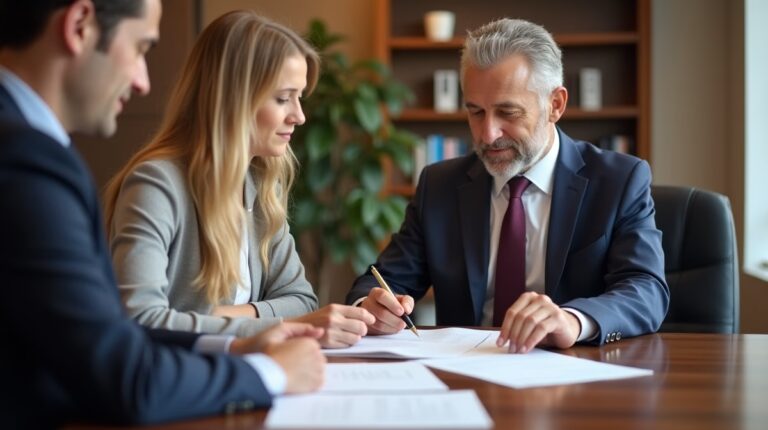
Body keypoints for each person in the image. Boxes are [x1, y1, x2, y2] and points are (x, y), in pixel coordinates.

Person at [0, 1, 326, 427]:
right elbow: (128, 349)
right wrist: (271, 369)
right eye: (140, 49)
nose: (142, 81)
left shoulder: (260, 186)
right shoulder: (29, 161)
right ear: (79, 26)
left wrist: (234, 335)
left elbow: (302, 300)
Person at [347, 18, 669, 352]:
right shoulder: (439, 184)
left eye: (508, 113)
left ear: (555, 105)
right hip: (465, 371)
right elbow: (381, 280)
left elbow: (645, 289)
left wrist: (573, 320)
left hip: (573, 375)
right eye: (476, 112)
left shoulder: (619, 180)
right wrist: (371, 308)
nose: (487, 134)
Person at [102, 10, 374, 348]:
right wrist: (271, 326)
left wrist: (226, 315)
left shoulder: (260, 186)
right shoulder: (156, 185)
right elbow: (140, 320)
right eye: (282, 98)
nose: (299, 116)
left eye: (299, 97)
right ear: (233, 99)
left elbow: (302, 300)